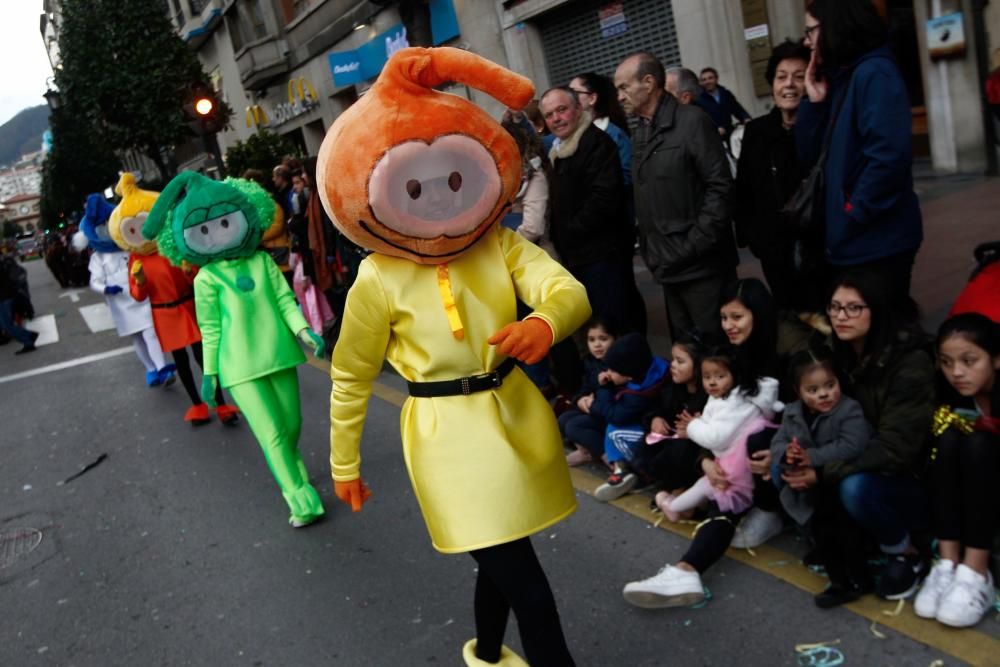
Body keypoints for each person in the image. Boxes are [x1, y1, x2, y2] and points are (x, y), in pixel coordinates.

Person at [318, 48, 588, 666]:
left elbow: (565, 289)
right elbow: (351, 377)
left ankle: (487, 656)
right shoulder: (377, 278)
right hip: (445, 439)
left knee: (500, 560)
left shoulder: (497, 243)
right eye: (414, 185)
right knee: (530, 588)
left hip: (514, 416)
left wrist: (546, 322)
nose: (437, 198)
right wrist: (343, 463)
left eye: (454, 178)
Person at [786, 270, 935, 607]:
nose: (841, 316)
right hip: (856, 454)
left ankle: (907, 552)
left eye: (854, 308)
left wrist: (823, 469)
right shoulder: (835, 349)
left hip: (905, 477)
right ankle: (846, 545)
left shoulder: (910, 362)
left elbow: (895, 449)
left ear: (877, 310)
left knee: (853, 487)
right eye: (835, 307)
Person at [797, 0, 923, 302]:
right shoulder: (844, 79)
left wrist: (853, 212)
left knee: (883, 334)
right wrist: (814, 104)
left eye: (810, 30)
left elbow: (888, 157)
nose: (806, 41)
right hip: (853, 241)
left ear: (835, 27)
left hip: (876, 241)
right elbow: (810, 156)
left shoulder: (874, 73)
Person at [615, 52, 736, 341]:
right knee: (687, 356)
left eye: (623, 87)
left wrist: (692, 245)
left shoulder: (692, 121)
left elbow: (720, 188)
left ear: (648, 83)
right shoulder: (642, 131)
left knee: (716, 355)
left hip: (702, 268)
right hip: (669, 267)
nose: (619, 97)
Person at [914, 314, 999, 627]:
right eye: (947, 362)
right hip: (967, 484)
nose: (957, 372)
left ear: (997, 358)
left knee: (978, 444)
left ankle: (977, 571)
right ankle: (948, 563)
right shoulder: (948, 390)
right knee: (948, 439)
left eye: (969, 360)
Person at [540, 86, 645, 337]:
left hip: (602, 254)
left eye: (562, 110)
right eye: (549, 114)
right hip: (578, 255)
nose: (556, 118)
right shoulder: (558, 149)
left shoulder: (596, 143)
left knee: (614, 325)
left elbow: (604, 198)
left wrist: (569, 230)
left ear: (578, 109)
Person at [733, 40, 823, 312]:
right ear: (772, 83)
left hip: (819, 244)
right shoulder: (757, 132)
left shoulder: (819, 125)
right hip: (775, 248)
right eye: (781, 77)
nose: (789, 85)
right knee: (789, 314)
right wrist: (755, 240)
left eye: (798, 77)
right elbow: (744, 188)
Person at [656, 347, 782, 523]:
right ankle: (679, 506)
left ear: (734, 376)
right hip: (727, 460)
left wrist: (693, 426)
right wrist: (698, 424)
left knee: (705, 487)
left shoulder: (736, 402)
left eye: (720, 376)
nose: (712, 382)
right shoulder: (720, 397)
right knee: (703, 487)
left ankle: (671, 505)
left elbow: (716, 437)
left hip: (735, 466)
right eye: (707, 377)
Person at [80, 193, 175, 387]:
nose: (105, 230)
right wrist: (106, 288)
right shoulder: (98, 258)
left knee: (150, 332)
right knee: (137, 337)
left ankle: (162, 368)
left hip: (138, 295)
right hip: (120, 303)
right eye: (100, 227)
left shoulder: (129, 247)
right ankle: (151, 369)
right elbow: (94, 281)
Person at [770, 347, 870, 528]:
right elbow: (777, 441)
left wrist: (812, 457)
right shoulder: (792, 412)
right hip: (803, 473)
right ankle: (804, 524)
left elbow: (853, 445)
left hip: (833, 476)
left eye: (830, 385)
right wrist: (788, 453)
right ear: (798, 391)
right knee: (777, 468)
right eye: (813, 390)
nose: (824, 394)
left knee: (832, 513)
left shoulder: (849, 409)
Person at [589, 332, 670, 501]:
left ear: (629, 374)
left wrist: (603, 388)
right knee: (575, 424)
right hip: (644, 423)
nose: (608, 373)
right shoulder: (647, 375)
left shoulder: (638, 393)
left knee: (614, 433)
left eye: (613, 370)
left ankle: (636, 473)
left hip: (655, 434)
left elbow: (614, 415)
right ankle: (620, 470)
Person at [631, 332, 709, 496]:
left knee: (680, 448)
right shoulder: (673, 388)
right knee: (646, 442)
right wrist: (655, 418)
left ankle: (679, 490)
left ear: (699, 365)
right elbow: (656, 408)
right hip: (671, 442)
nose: (673, 365)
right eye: (673, 359)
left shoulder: (709, 397)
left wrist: (694, 430)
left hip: (694, 451)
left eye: (680, 361)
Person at [559, 317, 618, 467]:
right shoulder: (591, 362)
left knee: (574, 426)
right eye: (591, 340)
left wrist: (596, 394)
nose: (597, 344)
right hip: (595, 407)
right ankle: (587, 452)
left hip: (610, 413)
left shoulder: (618, 364)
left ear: (615, 339)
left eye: (603, 339)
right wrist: (580, 399)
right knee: (563, 419)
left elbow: (612, 397)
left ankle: (612, 461)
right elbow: (585, 388)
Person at [569, 72, 632, 186]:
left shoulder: (615, 135)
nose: (568, 99)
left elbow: (626, 179)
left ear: (592, 98)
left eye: (574, 93)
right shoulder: (570, 135)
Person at [697, 67, 751, 139]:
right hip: (713, 138)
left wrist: (745, 118)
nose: (707, 81)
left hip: (730, 133)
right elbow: (701, 121)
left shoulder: (725, 94)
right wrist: (715, 128)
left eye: (710, 78)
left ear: (716, 79)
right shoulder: (699, 100)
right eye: (704, 80)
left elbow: (737, 109)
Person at [0, 253, 38, 354]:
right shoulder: (5, 260)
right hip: (8, 296)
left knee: (7, 325)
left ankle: (28, 338)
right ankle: (28, 338)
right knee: (6, 324)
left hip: (4, 298)